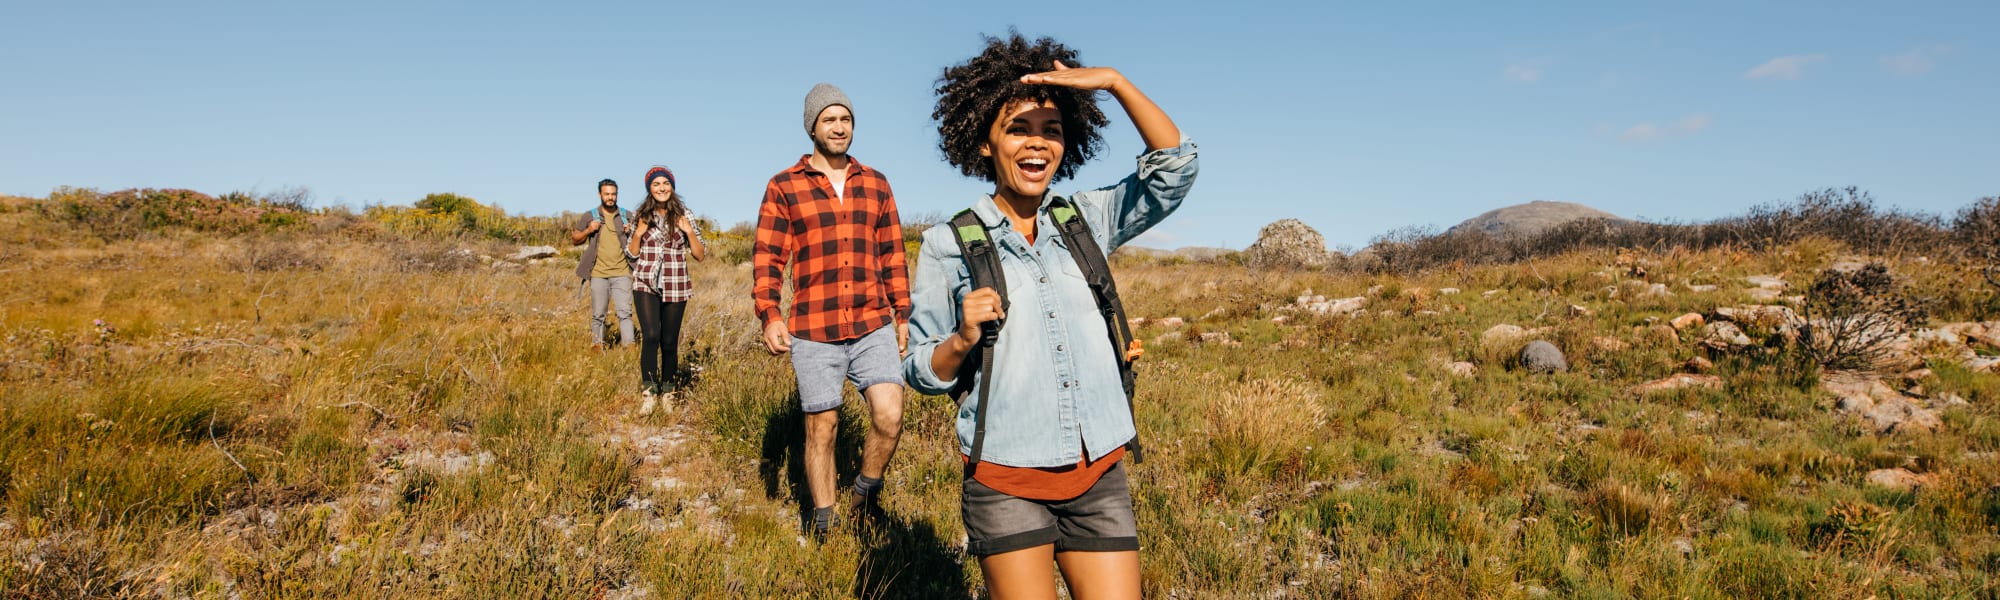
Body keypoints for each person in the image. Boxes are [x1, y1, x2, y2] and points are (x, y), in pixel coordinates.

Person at [901, 33, 1198, 598]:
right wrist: (962, 337)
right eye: (1018, 128)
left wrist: (1114, 82)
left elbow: (1175, 171)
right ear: (985, 142)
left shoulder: (1084, 218)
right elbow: (919, 369)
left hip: (1098, 474)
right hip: (1006, 478)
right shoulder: (948, 243)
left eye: (1052, 130)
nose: (1037, 145)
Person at [752, 82, 912, 538]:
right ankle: (825, 521)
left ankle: (864, 495)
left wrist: (902, 313)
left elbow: (893, 254)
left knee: (890, 413)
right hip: (813, 327)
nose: (839, 128)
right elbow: (768, 256)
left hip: (872, 322)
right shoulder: (784, 185)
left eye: (846, 119)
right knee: (822, 427)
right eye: (829, 120)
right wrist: (770, 313)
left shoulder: (876, 183)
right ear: (812, 127)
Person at [626, 165, 706, 415]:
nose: (661, 188)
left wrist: (688, 231)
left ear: (672, 186)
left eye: (666, 183)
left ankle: (669, 392)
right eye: (656, 184)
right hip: (645, 281)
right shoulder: (641, 214)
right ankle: (649, 393)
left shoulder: (685, 214)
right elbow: (631, 253)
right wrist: (638, 233)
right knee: (651, 335)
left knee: (669, 341)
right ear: (649, 189)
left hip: (676, 282)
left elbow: (700, 254)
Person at [571, 178, 636, 351]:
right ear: (600, 194)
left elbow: (640, 242)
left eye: (613, 194)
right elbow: (575, 239)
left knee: (625, 313)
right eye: (606, 194)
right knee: (598, 314)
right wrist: (588, 230)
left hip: (622, 272)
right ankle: (597, 346)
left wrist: (632, 232)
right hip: (598, 273)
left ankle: (629, 348)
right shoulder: (590, 216)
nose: (610, 197)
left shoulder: (627, 216)